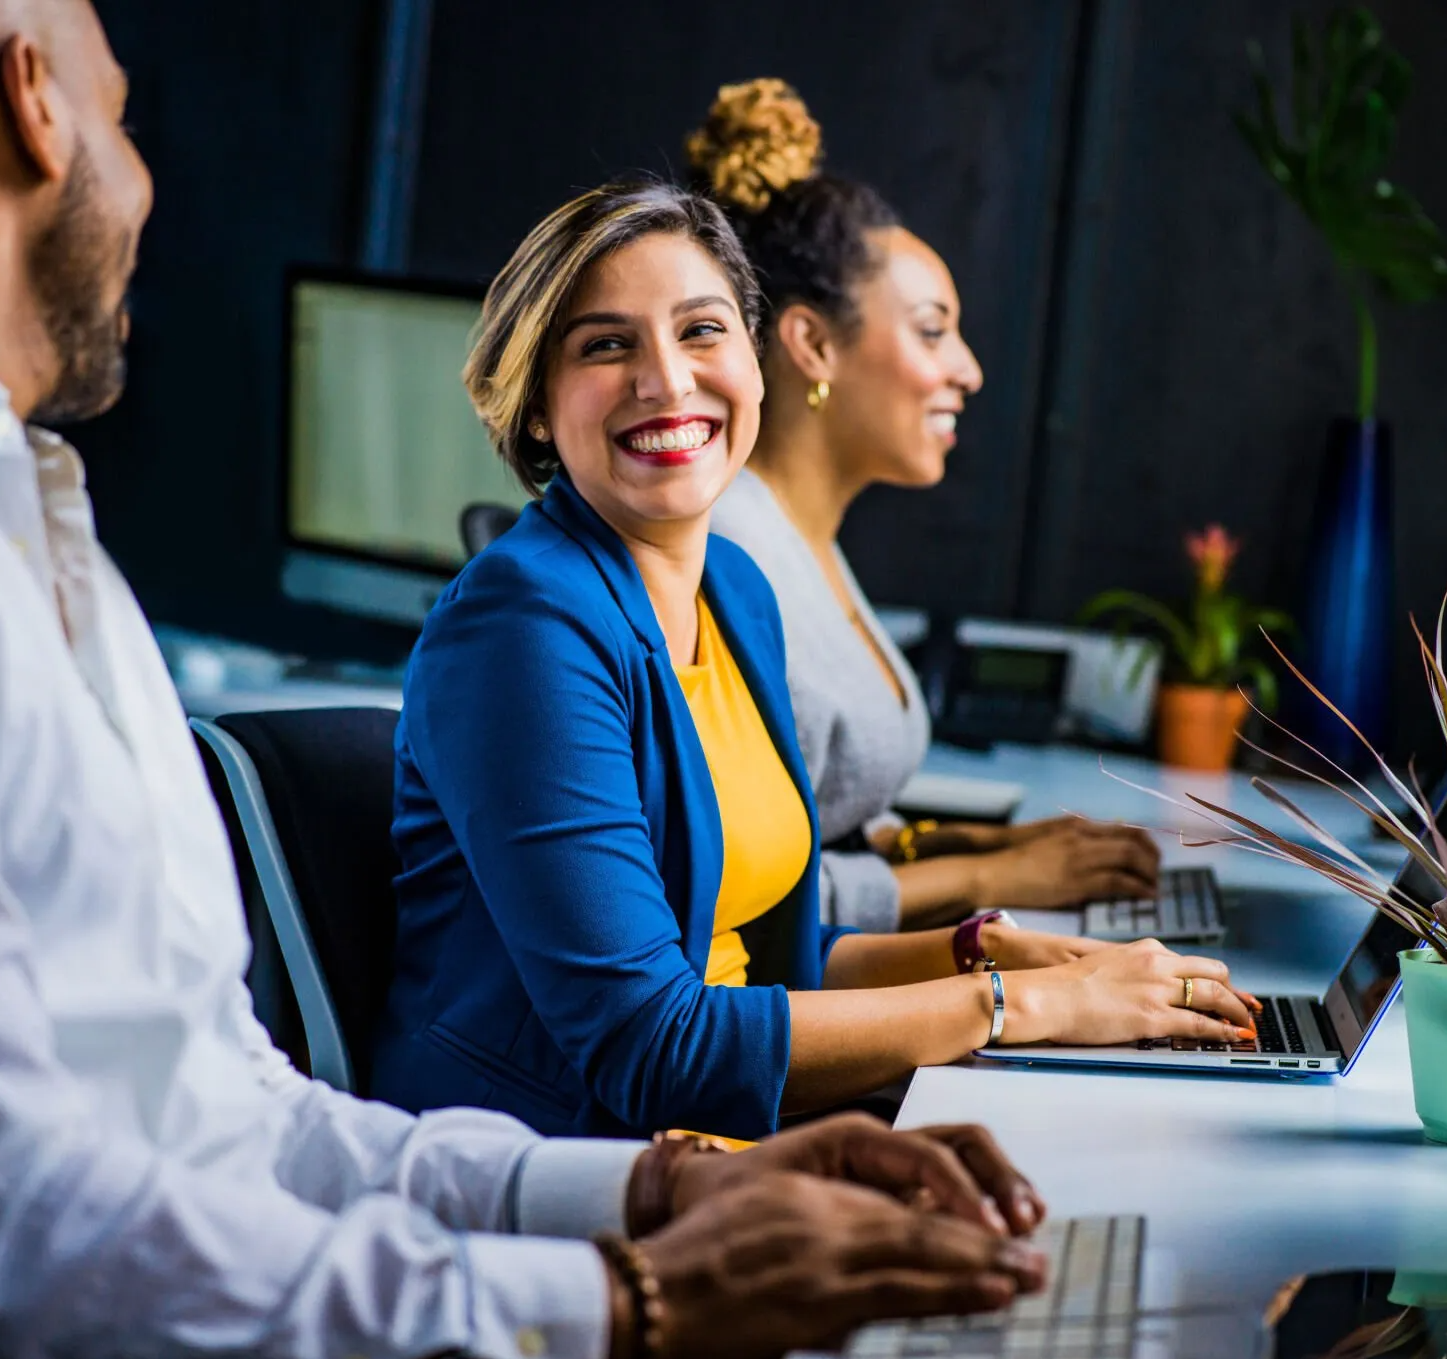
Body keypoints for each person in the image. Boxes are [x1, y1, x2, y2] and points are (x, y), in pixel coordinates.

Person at [0, 4, 1058, 1355]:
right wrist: (634, 1283)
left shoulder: (60, 546)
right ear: (34, 102)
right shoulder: (524, 620)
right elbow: (47, 1225)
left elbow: (235, 1116)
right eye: (123, 116)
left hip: (605, 1196)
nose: (146, 181)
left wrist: (678, 1190)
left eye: (698, 330)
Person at [373, 177, 1260, 1143]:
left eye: (702, 330)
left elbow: (767, 964)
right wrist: (1020, 1006)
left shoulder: (737, 591)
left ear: (756, 364)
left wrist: (982, 953)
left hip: (726, 1140)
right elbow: (650, 1045)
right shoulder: (522, 628)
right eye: (605, 345)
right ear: (538, 406)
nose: (667, 380)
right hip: (558, 1169)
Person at [699, 78, 1165, 934]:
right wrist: (989, 876)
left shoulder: (803, 540)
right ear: (811, 342)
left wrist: (967, 844)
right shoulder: (732, 559)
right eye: (930, 329)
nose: (967, 369)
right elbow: (747, 901)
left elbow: (819, 821)